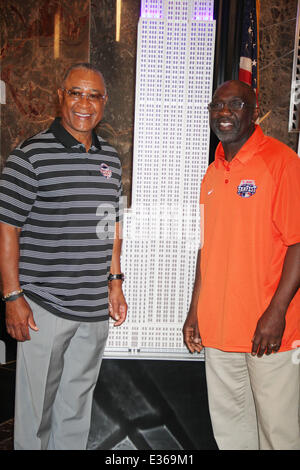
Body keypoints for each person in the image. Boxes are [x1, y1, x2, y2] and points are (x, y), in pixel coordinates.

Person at [0, 63, 127, 450]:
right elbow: (7, 230)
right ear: (61, 97)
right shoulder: (30, 157)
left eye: (93, 95)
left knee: (75, 410)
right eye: (76, 93)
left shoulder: (113, 159)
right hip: (44, 309)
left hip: (92, 309)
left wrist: (115, 282)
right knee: (35, 414)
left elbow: (111, 225)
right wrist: (12, 297)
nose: (84, 104)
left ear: (104, 102)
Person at [183, 80, 300, 450]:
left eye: (235, 104)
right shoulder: (213, 172)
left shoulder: (281, 162)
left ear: (254, 110)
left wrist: (276, 312)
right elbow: (209, 248)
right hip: (218, 331)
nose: (224, 113)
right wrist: (194, 311)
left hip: (269, 333)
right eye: (217, 106)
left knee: (277, 434)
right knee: (232, 434)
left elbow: (298, 242)